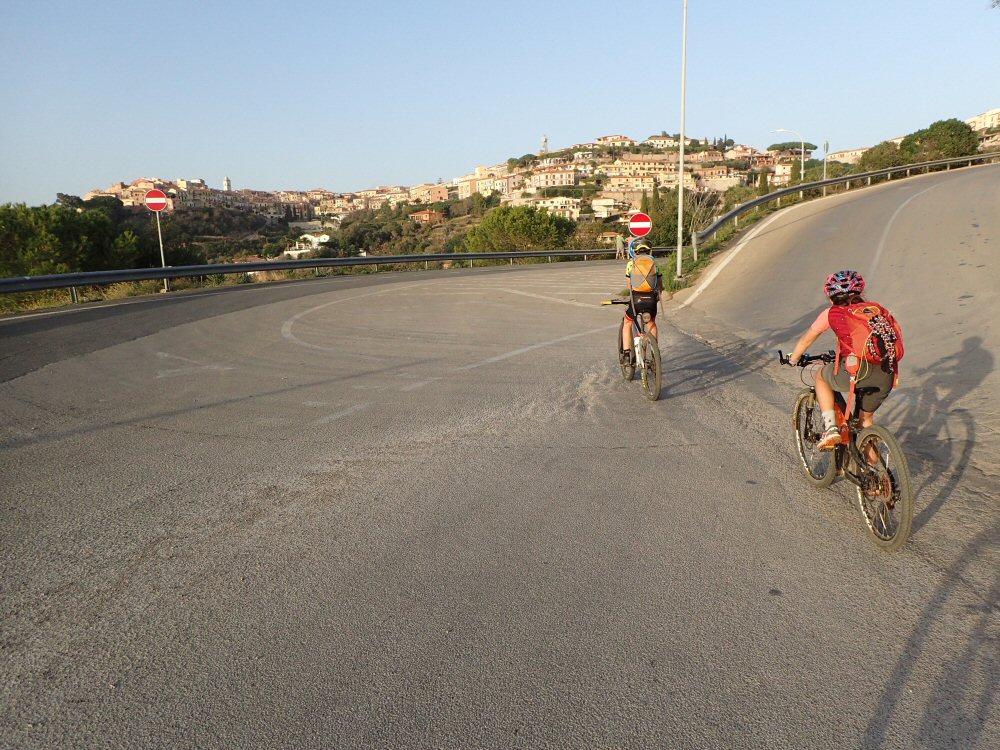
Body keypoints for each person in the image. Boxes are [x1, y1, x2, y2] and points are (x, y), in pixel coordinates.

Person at [787, 270, 901, 450]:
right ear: (860, 293)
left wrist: (793, 359)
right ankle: (877, 474)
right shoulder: (874, 309)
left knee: (821, 378)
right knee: (866, 421)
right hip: (886, 372)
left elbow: (806, 340)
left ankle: (831, 428)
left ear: (831, 298)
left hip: (857, 371)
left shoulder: (830, 313)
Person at [620, 238, 662, 365]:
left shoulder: (631, 263)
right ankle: (655, 354)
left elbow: (629, 285)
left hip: (636, 299)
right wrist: (658, 293)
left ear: (635, 251)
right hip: (651, 299)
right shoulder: (654, 263)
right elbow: (659, 284)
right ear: (649, 251)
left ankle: (627, 355)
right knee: (651, 324)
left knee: (627, 322)